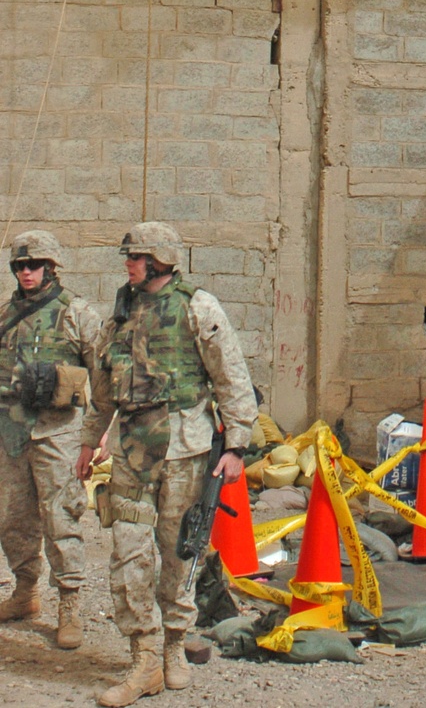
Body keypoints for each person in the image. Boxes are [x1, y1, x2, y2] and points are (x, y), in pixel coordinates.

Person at [77, 221, 256, 707]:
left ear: (159, 260)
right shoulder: (119, 317)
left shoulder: (198, 308)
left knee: (179, 553)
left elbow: (231, 379)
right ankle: (143, 659)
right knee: (129, 553)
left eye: (134, 257)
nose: (128, 265)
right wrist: (87, 443)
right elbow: (102, 392)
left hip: (186, 452)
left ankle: (175, 643)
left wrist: (236, 446)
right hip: (133, 454)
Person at [0, 230, 101, 650]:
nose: (27, 272)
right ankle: (26, 592)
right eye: (20, 265)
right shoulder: (5, 313)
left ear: (51, 267)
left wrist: (97, 436)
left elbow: (106, 377)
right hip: (11, 432)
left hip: (58, 433)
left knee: (62, 518)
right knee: (13, 518)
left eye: (34, 265)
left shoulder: (77, 313)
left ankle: (70, 603)